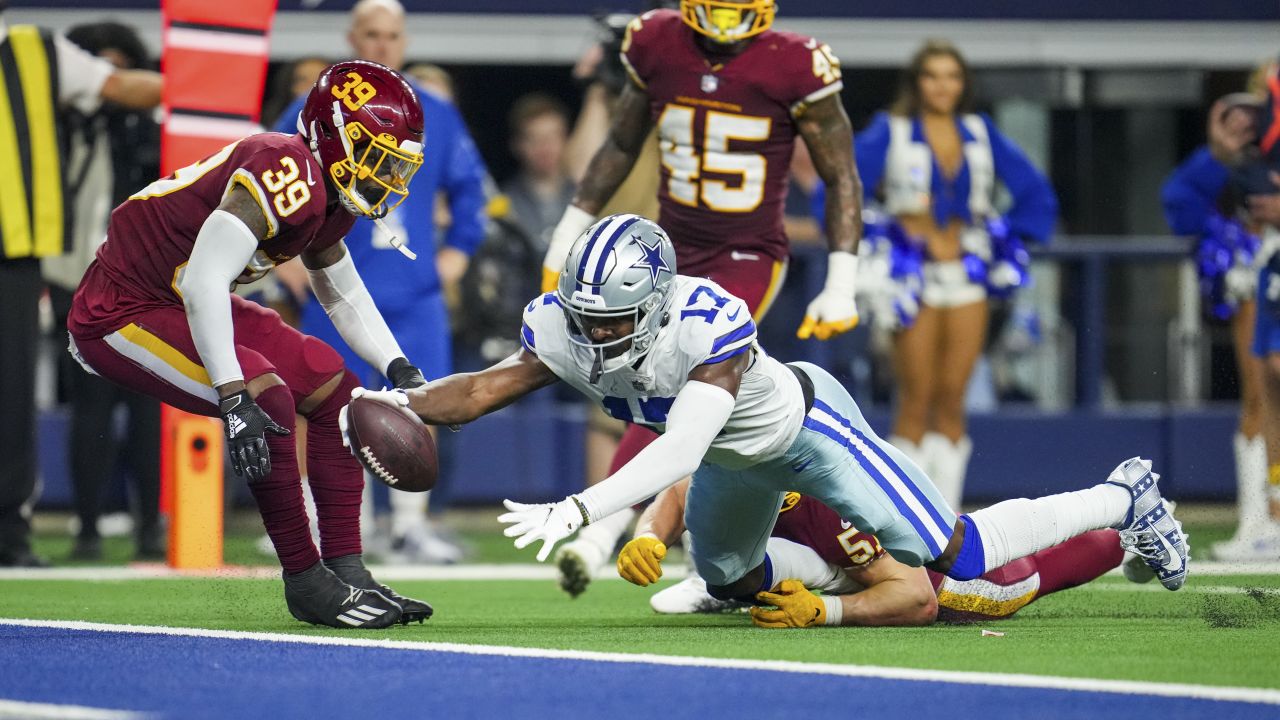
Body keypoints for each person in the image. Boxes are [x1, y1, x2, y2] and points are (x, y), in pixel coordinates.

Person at [349, 215, 1188, 620]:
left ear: (652, 301)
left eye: (611, 318)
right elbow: (482, 390)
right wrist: (391, 403)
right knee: (724, 579)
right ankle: (790, 580)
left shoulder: (708, 321)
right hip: (733, 464)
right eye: (584, 315)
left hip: (810, 436)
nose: (593, 334)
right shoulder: (564, 323)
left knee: (957, 555)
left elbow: (681, 442)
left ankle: (1125, 499)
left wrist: (581, 510)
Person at [67, 60, 433, 628]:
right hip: (122, 308)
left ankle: (346, 569)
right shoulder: (286, 168)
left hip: (181, 294)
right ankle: (305, 580)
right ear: (340, 136)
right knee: (266, 396)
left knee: (337, 386)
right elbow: (203, 281)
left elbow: (342, 294)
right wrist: (234, 396)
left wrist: (400, 369)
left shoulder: (329, 192)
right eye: (380, 154)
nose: (388, 173)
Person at [540, 0, 865, 595]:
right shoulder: (657, 41)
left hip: (747, 254)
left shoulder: (795, 62)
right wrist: (566, 234)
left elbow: (840, 173)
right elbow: (619, 144)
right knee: (637, 381)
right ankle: (688, 549)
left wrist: (842, 278)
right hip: (667, 248)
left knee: (684, 386)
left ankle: (601, 532)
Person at [273, 0, 488, 564]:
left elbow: (472, 190)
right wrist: (286, 259)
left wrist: (459, 254)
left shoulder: (434, 110)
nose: (382, 46)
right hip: (336, 286)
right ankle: (338, 527)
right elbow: (272, 174)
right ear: (351, 36)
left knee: (422, 400)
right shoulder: (316, 104)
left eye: (391, 35)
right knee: (327, 407)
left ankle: (409, 526)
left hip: (413, 292)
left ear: (405, 39)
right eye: (371, 34)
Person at [824, 40, 1057, 510]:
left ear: (963, 83)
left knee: (953, 397)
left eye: (952, 76)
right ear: (916, 82)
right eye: (932, 75)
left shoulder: (979, 131)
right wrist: (876, 236)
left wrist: (1002, 235)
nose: (942, 86)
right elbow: (843, 183)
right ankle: (903, 513)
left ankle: (945, 517)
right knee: (915, 395)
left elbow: (1035, 193)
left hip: (967, 276)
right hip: (911, 280)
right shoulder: (891, 130)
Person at [0, 6, 162, 568]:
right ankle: (88, 526)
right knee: (87, 403)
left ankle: (146, 528)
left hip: (135, 275)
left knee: (145, 402)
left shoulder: (138, 125)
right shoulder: (55, 108)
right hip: (69, 268)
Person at [617, 478, 1141, 626]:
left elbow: (915, 597)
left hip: (944, 584)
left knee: (1034, 570)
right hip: (829, 560)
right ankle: (729, 586)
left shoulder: (828, 505)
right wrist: (648, 535)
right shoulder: (746, 449)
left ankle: (1127, 534)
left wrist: (826, 612)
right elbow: (683, 492)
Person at [1161, 77, 1274, 561]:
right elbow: (1179, 207)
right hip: (1261, 267)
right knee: (1262, 393)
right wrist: (1217, 154)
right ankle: (1259, 521)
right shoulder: (1240, 155)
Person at [501, 93, 575, 249]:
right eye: (533, 139)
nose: (545, 148)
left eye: (552, 137)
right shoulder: (503, 204)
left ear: (566, 139)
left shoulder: (586, 199)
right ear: (516, 145)